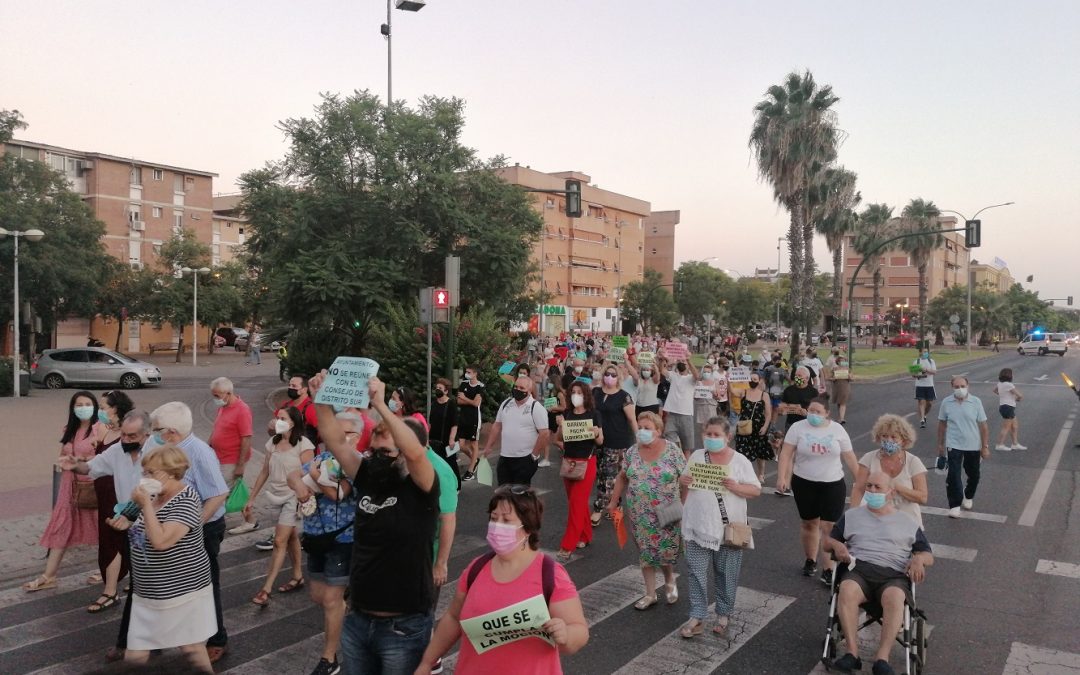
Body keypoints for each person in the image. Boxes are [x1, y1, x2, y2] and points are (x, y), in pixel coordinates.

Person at [309, 373, 440, 674]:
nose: (377, 457)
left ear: (404, 455)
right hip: (358, 619)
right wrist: (321, 401)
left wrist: (380, 404)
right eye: (374, 450)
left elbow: (416, 453)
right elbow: (336, 442)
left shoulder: (422, 487)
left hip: (403, 625)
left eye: (387, 453)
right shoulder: (367, 475)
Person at [415, 485, 589, 674]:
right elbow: (454, 618)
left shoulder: (549, 574)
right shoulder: (477, 568)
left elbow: (578, 632)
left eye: (506, 520)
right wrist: (427, 662)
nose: (497, 526)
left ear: (528, 527)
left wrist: (566, 634)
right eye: (494, 518)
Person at [107, 445, 215, 672]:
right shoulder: (154, 495)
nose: (145, 477)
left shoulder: (186, 499)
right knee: (136, 653)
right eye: (144, 472)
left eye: (151, 473)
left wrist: (145, 505)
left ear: (172, 473)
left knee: (192, 648)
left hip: (180, 591)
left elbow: (162, 542)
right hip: (149, 592)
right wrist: (126, 521)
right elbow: (136, 525)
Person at [144, 402, 231, 663]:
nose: (152, 433)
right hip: (169, 526)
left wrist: (193, 524)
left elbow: (218, 493)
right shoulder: (159, 447)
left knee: (204, 585)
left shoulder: (200, 452)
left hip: (204, 528)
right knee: (166, 581)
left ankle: (217, 638)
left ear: (171, 431)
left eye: (156, 429)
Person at [824, 472, 934, 675]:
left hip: (893, 574)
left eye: (877, 487)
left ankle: (882, 659)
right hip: (859, 569)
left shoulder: (907, 522)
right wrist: (837, 545)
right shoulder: (852, 516)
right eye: (869, 486)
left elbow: (928, 554)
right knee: (846, 589)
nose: (872, 491)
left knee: (896, 597)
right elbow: (827, 542)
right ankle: (852, 654)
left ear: (890, 492)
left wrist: (918, 559)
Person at [678, 417, 761, 638]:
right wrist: (683, 485)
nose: (711, 439)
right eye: (708, 434)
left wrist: (736, 486)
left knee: (726, 573)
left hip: (727, 529)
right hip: (698, 525)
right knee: (695, 572)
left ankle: (723, 614)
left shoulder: (739, 461)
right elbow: (685, 483)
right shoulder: (697, 456)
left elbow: (755, 490)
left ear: (728, 437)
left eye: (716, 435)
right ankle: (697, 615)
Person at [55, 394, 135, 612]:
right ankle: (121, 584)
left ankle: (111, 591)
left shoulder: (128, 436)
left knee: (119, 539)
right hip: (103, 491)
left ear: (115, 409)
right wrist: (77, 462)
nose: (99, 411)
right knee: (113, 540)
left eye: (103, 407)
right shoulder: (103, 430)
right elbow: (99, 461)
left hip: (120, 494)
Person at [301, 411, 361, 675]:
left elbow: (339, 494)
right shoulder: (322, 458)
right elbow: (295, 475)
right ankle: (346, 600)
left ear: (358, 437)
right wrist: (301, 486)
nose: (339, 437)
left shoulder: (358, 464)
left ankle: (329, 658)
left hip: (343, 539)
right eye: (336, 432)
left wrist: (313, 479)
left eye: (346, 433)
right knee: (317, 594)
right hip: (314, 536)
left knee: (330, 599)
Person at [606, 412, 686, 610]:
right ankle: (650, 594)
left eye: (647, 428)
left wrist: (684, 505)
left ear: (658, 431)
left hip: (667, 511)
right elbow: (622, 476)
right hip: (639, 513)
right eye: (640, 427)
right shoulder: (632, 452)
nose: (642, 431)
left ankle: (669, 580)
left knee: (665, 551)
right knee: (646, 552)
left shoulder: (672, 451)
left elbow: (686, 480)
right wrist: (613, 501)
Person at [24, 391, 102, 592]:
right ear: (73, 408)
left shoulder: (100, 429)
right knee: (61, 524)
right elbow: (64, 452)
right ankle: (48, 575)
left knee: (101, 526)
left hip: (93, 484)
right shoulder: (70, 429)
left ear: (94, 406)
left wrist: (82, 461)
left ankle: (109, 568)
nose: (83, 407)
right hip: (69, 485)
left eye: (87, 403)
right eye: (78, 404)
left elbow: (106, 458)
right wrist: (64, 461)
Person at [776, 401, 858, 585]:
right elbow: (786, 453)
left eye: (818, 411)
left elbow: (850, 457)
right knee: (809, 523)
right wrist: (782, 478)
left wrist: (861, 481)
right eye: (811, 410)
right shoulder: (798, 428)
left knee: (829, 526)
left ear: (827, 413)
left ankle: (828, 569)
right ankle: (810, 560)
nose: (813, 413)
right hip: (804, 482)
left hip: (832, 483)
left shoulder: (837, 430)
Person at [245, 406, 316, 606]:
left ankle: (266, 588)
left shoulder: (304, 444)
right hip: (276, 496)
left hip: (293, 497)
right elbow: (264, 471)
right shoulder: (272, 442)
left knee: (279, 541)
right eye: (277, 417)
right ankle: (297, 576)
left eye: (282, 418)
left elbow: (309, 475)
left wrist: (303, 498)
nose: (278, 420)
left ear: (293, 422)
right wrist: (252, 498)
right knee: (291, 536)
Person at [554, 381, 604, 561]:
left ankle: (567, 545)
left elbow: (600, 441)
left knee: (576, 502)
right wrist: (560, 425)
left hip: (587, 462)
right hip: (569, 462)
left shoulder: (594, 414)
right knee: (577, 503)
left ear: (586, 395)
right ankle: (585, 535)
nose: (576, 395)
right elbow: (557, 440)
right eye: (573, 392)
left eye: (579, 392)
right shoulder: (567, 413)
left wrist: (596, 432)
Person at [851, 415, 928, 528]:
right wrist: (852, 516)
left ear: (903, 440)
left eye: (893, 437)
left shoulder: (913, 462)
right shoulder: (868, 459)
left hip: (907, 523)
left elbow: (922, 497)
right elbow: (858, 489)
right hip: (874, 522)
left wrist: (895, 486)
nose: (888, 440)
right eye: (884, 436)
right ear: (878, 437)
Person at [208, 378, 258, 535]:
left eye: (217, 395)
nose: (215, 399)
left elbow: (246, 437)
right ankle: (250, 520)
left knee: (219, 493)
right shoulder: (224, 407)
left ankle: (214, 523)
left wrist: (240, 465)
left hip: (231, 460)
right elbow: (217, 428)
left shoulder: (242, 410)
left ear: (228, 393)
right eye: (214, 395)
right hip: (219, 457)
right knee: (233, 491)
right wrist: (208, 446)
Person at [936, 376, 990, 518]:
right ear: (952, 387)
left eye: (962, 386)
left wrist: (985, 446)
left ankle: (969, 494)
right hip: (954, 444)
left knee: (974, 474)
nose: (960, 389)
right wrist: (940, 444)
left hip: (973, 445)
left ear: (968, 385)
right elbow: (942, 424)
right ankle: (954, 505)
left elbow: (983, 426)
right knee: (953, 474)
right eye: (956, 386)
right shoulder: (946, 402)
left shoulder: (976, 402)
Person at [483, 375, 551, 487]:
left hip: (525, 458)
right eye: (516, 387)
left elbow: (544, 433)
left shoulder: (536, 408)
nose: (517, 390)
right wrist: (488, 446)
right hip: (505, 457)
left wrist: (534, 455)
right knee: (503, 493)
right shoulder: (506, 404)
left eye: (522, 388)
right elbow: (497, 426)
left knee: (519, 495)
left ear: (529, 391)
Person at [591, 363, 637, 526]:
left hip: (617, 442)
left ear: (619, 378)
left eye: (613, 374)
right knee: (601, 475)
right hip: (597, 441)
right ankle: (616, 506)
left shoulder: (624, 396)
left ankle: (598, 509)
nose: (609, 377)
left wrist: (640, 441)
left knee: (609, 478)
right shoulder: (595, 392)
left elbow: (632, 420)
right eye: (607, 374)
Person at [733, 371, 774, 483]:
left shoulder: (764, 395)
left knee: (760, 453)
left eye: (755, 380)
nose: (752, 382)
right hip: (744, 427)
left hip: (759, 427)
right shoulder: (743, 392)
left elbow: (768, 413)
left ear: (759, 381)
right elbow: (732, 391)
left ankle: (761, 474)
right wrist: (730, 378)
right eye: (750, 379)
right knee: (742, 452)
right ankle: (744, 474)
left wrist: (765, 427)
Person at [428, 378, 461, 490]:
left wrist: (452, 439)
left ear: (446, 391)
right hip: (434, 439)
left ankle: (457, 486)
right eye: (437, 388)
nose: (438, 390)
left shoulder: (451, 404)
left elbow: (454, 424)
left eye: (440, 388)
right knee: (437, 463)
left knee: (451, 463)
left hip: (448, 441)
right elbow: (431, 422)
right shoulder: (434, 403)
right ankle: (440, 485)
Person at [662, 356, 698, 454]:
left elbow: (697, 376)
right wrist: (663, 359)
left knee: (687, 448)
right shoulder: (673, 375)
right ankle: (674, 465)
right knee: (670, 445)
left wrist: (689, 360)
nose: (682, 362)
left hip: (686, 415)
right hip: (672, 415)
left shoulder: (690, 378)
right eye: (680, 361)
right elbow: (662, 370)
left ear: (688, 366)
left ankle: (686, 468)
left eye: (684, 362)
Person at [457, 365, 485, 481]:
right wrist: (469, 400)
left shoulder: (480, 386)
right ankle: (475, 460)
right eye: (466, 372)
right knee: (461, 445)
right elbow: (458, 401)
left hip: (474, 419)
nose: (466, 374)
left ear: (475, 374)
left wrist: (465, 398)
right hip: (463, 418)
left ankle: (470, 470)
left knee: (474, 445)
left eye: (469, 372)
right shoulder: (463, 384)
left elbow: (476, 404)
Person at [993, 368, 1026, 451]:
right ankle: (999, 445)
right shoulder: (1009, 385)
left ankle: (1015, 444)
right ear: (1009, 376)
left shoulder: (1000, 383)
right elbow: (1020, 395)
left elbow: (994, 390)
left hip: (1005, 407)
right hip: (1008, 407)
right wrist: (1017, 399)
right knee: (1006, 427)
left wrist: (1003, 395)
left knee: (1014, 426)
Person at [912, 349, 938, 429]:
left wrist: (926, 370)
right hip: (920, 385)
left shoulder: (931, 361)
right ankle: (922, 419)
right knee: (922, 402)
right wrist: (918, 374)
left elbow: (934, 372)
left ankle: (925, 415)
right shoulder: (916, 362)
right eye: (923, 352)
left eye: (926, 352)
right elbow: (913, 375)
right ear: (920, 352)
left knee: (929, 403)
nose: (924, 353)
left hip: (929, 385)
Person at [828, 353, 852, 425]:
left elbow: (852, 378)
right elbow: (829, 378)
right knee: (839, 402)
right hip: (837, 387)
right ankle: (840, 417)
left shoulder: (848, 369)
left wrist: (849, 376)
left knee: (843, 403)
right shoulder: (834, 369)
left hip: (845, 387)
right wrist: (833, 378)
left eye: (844, 360)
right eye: (841, 360)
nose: (842, 361)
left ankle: (842, 418)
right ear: (837, 361)